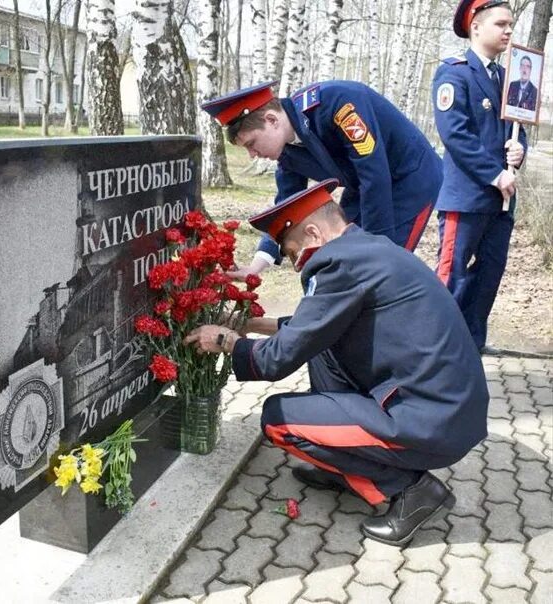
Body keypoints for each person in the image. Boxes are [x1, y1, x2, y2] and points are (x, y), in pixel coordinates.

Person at [185, 179, 489, 546]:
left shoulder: (338, 263)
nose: (300, 267)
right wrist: (247, 323)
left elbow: (274, 362)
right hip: (444, 407)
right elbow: (315, 328)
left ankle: (413, 491)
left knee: (279, 420)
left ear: (313, 232)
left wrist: (224, 340)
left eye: (297, 254)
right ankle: (344, 464)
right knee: (323, 348)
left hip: (430, 421)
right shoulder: (364, 249)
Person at [200, 79, 443, 278]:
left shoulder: (335, 104)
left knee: (383, 269)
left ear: (272, 120)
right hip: (364, 187)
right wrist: (256, 266)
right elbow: (286, 208)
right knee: (338, 256)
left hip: (409, 178)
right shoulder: (286, 150)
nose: (253, 154)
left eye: (252, 144)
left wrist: (376, 250)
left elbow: (374, 174)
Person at [432, 0, 527, 352]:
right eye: (501, 24)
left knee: (488, 275)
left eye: (511, 25)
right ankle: (435, 347)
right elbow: (456, 134)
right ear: (476, 27)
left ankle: (470, 346)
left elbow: (517, 128)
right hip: (468, 196)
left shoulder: (507, 78)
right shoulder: (454, 73)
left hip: (500, 200)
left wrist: (520, 152)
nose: (508, 31)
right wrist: (494, 174)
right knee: (451, 274)